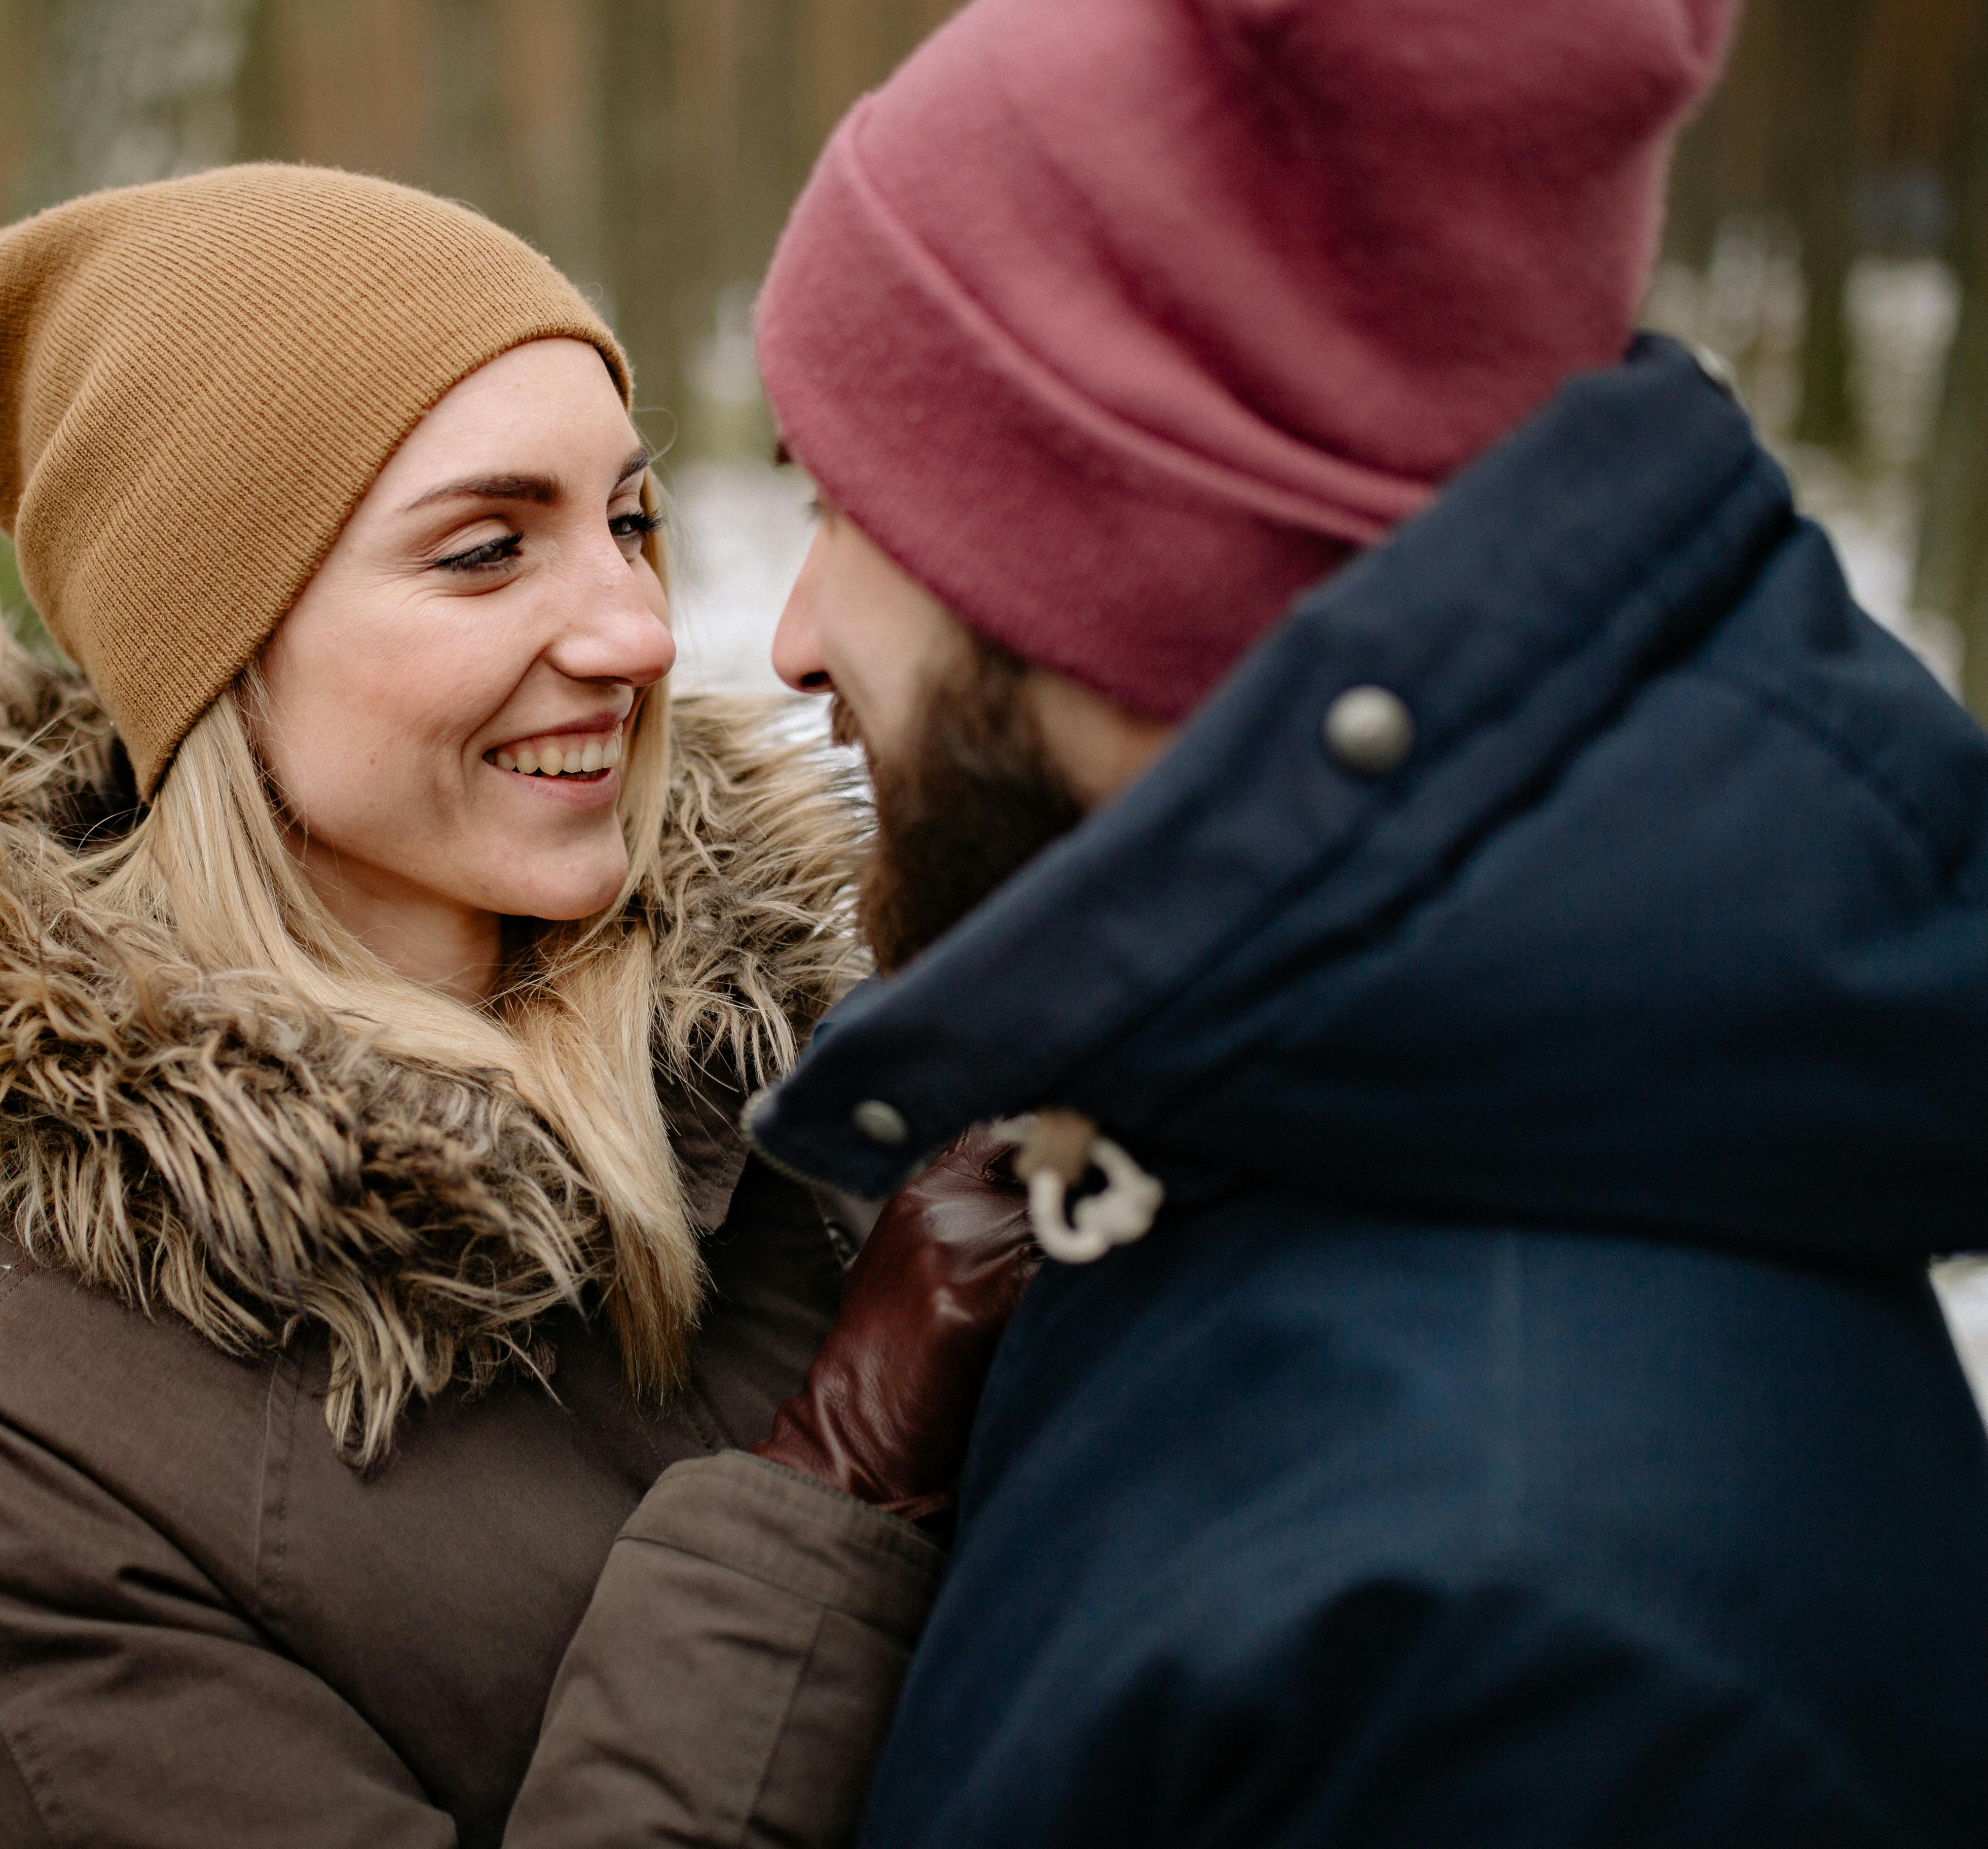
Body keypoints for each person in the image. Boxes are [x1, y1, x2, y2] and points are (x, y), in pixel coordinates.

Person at [713, 0, 1988, 1838]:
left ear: (1122, 558)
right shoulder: (1246, 1140)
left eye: (853, 503)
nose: (789, 636)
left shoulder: (1540, 1636)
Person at [0, 165, 1038, 1849]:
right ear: (221, 654)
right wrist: (834, 1483)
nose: (638, 629)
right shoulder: (37, 1432)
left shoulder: (833, 1077)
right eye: (483, 551)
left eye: (631, 522)